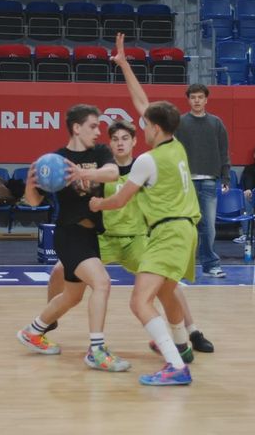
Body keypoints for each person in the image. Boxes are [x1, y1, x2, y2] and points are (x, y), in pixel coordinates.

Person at [44, 119, 216, 356]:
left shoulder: (144, 167)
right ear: (110, 144)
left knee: (168, 282)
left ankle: (193, 331)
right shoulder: (103, 171)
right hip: (104, 239)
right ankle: (50, 319)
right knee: (58, 271)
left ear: (135, 141)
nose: (120, 143)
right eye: (115, 139)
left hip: (135, 240)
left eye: (125, 138)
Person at [89, 32, 199, 386]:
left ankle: (176, 366)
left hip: (168, 232)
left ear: (155, 129)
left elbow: (120, 200)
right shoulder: (176, 145)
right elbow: (143, 103)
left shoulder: (147, 161)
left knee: (140, 302)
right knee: (166, 292)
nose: (142, 124)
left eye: (146, 124)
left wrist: (98, 202)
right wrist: (124, 65)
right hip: (186, 230)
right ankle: (181, 346)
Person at [16, 104, 130, 373]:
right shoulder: (55, 159)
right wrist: (30, 184)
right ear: (77, 128)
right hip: (69, 233)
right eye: (93, 126)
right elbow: (34, 202)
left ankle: (33, 332)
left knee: (72, 295)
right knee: (102, 283)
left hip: (90, 235)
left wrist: (83, 173)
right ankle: (96, 351)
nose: (98, 131)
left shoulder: (100, 152)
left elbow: (113, 173)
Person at [174, 83, 231, 278]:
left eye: (200, 97)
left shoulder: (216, 123)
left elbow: (224, 152)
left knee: (208, 227)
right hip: (185, 183)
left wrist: (225, 177)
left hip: (209, 181)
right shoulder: (180, 123)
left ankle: (210, 265)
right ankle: (181, 265)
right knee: (184, 226)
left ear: (206, 100)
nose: (197, 100)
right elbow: (173, 152)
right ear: (188, 100)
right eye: (193, 97)